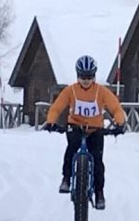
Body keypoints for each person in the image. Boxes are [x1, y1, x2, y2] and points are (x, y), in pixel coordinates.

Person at [42, 55, 126, 210]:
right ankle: (66, 178)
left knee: (97, 160)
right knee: (71, 149)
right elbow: (57, 107)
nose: (86, 80)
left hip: (95, 130)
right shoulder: (71, 90)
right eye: (82, 76)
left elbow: (115, 108)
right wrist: (51, 121)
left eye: (89, 76)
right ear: (77, 75)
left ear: (94, 76)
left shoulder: (101, 92)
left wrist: (120, 122)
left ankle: (99, 192)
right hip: (75, 127)